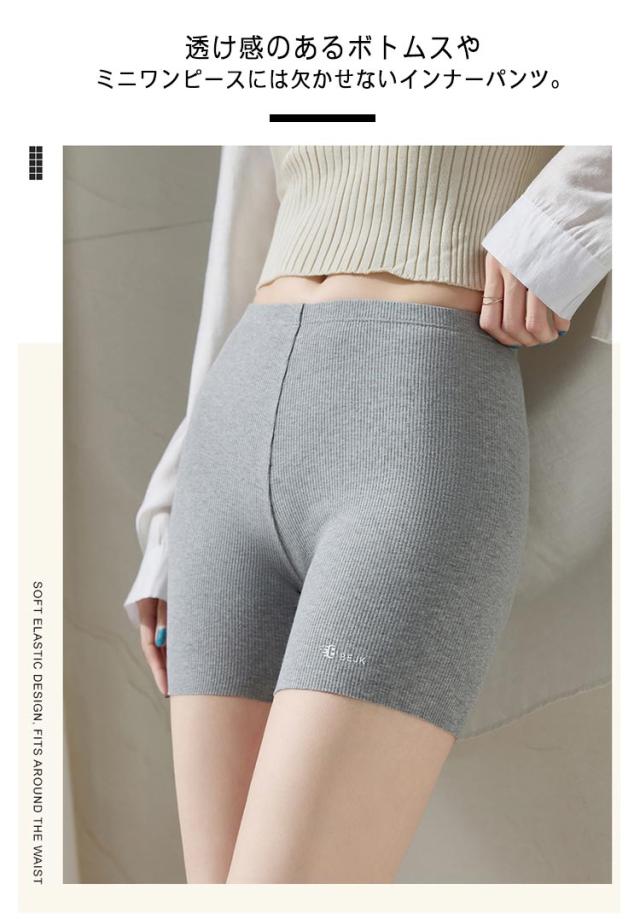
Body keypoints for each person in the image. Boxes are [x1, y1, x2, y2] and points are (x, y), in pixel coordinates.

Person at [123, 146, 612, 883]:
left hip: (414, 416)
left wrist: (561, 225)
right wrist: (167, 520)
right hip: (230, 427)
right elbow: (241, 236)